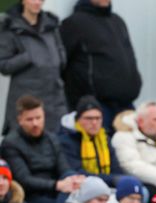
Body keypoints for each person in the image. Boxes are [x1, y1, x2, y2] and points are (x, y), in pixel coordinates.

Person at [60, 0, 142, 131]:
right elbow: (62, 65)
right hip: (96, 108)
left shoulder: (118, 22)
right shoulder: (74, 23)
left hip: (126, 105)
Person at [1, 95, 83, 203]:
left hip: (58, 191)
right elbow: (24, 180)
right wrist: (56, 185)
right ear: (20, 120)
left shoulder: (52, 138)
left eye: (38, 118)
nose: (35, 123)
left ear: (44, 116)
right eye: (29, 119)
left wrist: (74, 179)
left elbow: (64, 168)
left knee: (73, 180)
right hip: (31, 197)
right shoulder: (10, 143)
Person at [0, 0, 67, 134]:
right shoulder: (11, 27)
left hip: (54, 100)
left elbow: (61, 55)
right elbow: (3, 65)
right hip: (27, 102)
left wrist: (59, 59)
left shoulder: (51, 25)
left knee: (56, 146)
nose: (37, 2)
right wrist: (26, 57)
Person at [58, 94, 123, 187]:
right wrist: (112, 179)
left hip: (108, 186)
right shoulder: (67, 140)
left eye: (98, 118)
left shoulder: (105, 138)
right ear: (78, 120)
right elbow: (77, 173)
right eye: (89, 118)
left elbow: (116, 169)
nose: (94, 123)